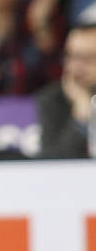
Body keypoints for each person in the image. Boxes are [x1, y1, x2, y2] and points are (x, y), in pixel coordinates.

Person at [36, 19, 96, 159]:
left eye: (87, 58)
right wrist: (82, 114)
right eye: (71, 56)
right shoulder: (54, 98)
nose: (76, 67)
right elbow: (52, 162)